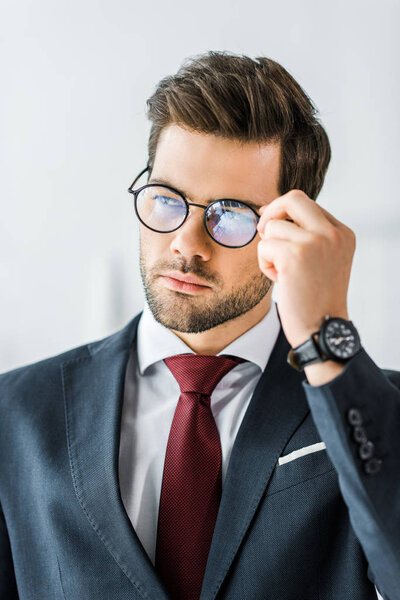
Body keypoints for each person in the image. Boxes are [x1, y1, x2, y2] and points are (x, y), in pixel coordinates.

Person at [0, 51, 399, 600]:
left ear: (291, 228)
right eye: (166, 200)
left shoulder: (372, 407)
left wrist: (327, 332)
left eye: (231, 213)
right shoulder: (18, 410)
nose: (187, 244)